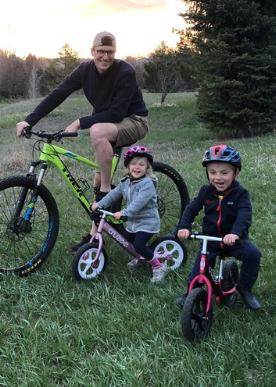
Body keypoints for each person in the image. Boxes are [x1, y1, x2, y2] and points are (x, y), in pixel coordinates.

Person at [16, 31, 149, 251]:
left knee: (96, 132)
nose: (105, 57)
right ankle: (94, 237)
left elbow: (117, 113)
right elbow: (58, 93)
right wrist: (29, 120)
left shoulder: (125, 71)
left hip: (133, 120)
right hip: (107, 125)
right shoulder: (85, 70)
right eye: (100, 52)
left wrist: (79, 122)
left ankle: (106, 192)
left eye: (110, 52)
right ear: (92, 52)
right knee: (97, 175)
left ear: (115, 53)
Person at [174, 145, 262, 310]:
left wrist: (236, 234)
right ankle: (191, 292)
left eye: (224, 172)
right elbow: (191, 209)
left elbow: (244, 215)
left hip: (234, 241)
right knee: (199, 271)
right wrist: (184, 226)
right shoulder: (206, 192)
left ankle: (244, 288)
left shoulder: (240, 194)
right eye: (212, 172)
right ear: (207, 173)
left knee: (254, 255)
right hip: (211, 241)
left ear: (236, 173)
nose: (218, 178)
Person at [91, 146, 167, 282]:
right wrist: (100, 204)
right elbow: (113, 194)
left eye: (141, 164)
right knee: (127, 241)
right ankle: (141, 257)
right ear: (128, 166)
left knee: (138, 245)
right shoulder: (125, 182)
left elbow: (139, 203)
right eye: (133, 164)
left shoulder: (147, 184)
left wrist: (124, 212)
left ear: (147, 167)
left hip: (147, 221)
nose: (137, 167)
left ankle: (157, 266)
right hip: (133, 222)